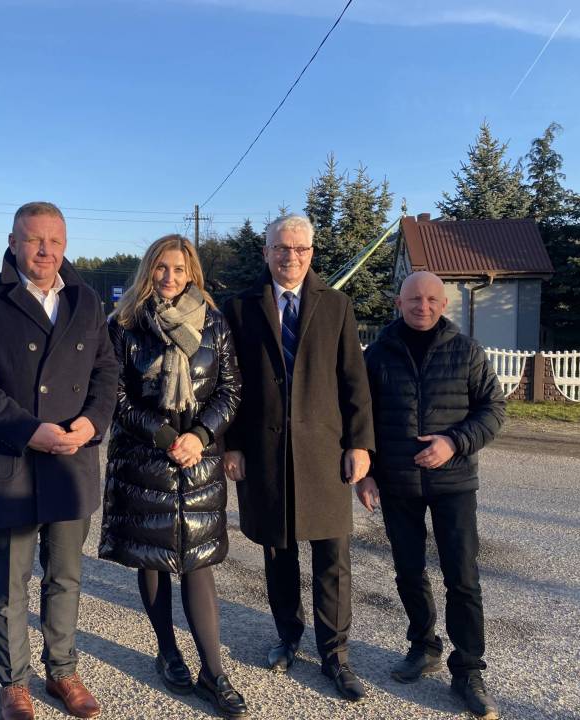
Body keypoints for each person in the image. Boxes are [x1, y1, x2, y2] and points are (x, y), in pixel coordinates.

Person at [0, 201, 118, 720]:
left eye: (55, 240)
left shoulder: (86, 299)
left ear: (65, 244)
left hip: (71, 459)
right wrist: (28, 430)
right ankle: (14, 682)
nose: (45, 250)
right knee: (10, 583)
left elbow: (106, 371)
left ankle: (62, 671)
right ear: (13, 241)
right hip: (12, 460)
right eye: (34, 239)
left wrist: (93, 423)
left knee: (65, 577)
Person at [222, 214, 374, 702]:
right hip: (264, 452)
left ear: (311, 253)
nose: (291, 256)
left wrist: (360, 444)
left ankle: (335, 654)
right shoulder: (239, 307)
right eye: (282, 248)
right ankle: (288, 636)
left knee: (333, 558)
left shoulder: (336, 305)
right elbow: (230, 383)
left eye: (300, 249)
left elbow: (354, 380)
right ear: (266, 252)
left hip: (324, 452)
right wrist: (231, 444)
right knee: (278, 552)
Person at [98, 234, 247, 719]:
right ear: (149, 269)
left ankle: (214, 671)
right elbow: (116, 396)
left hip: (198, 459)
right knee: (155, 558)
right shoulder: (125, 324)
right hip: (145, 460)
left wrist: (200, 436)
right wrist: (165, 437)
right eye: (162, 267)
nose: (169, 277)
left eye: (179, 269)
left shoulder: (213, 323)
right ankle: (167, 651)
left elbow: (230, 390)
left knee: (198, 561)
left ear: (192, 274)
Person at [358, 270, 506, 720]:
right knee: (408, 570)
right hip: (397, 483)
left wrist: (453, 443)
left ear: (444, 305)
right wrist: (367, 474)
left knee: (462, 577)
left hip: (453, 484)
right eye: (413, 299)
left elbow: (493, 409)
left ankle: (468, 669)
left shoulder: (467, 351)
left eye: (430, 300)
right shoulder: (378, 354)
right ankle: (423, 645)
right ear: (398, 304)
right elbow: (361, 419)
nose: (422, 306)